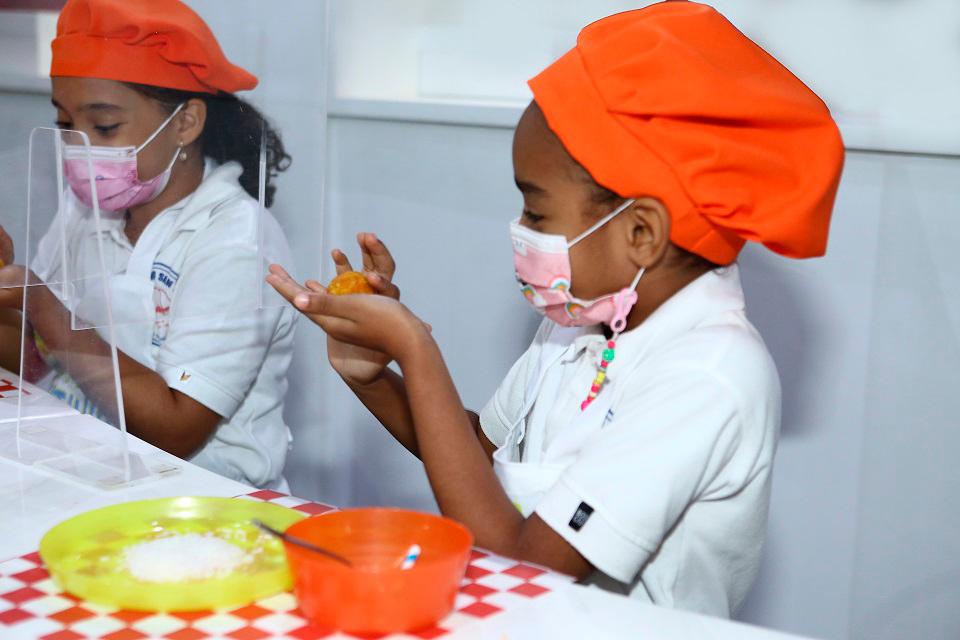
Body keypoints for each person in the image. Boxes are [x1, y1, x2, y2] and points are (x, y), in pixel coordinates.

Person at [267, 1, 844, 616]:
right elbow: (481, 458)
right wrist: (376, 374)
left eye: (537, 213)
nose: (520, 230)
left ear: (641, 233)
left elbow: (525, 565)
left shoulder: (709, 374)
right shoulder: (584, 320)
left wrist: (418, 347)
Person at [0, 0, 296, 490]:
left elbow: (177, 428)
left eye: (105, 127)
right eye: (64, 126)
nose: (79, 146)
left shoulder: (235, 239)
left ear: (185, 123)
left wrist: (45, 307)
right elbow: (32, 364)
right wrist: (7, 295)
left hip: (205, 495)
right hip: (92, 467)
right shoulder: (85, 212)